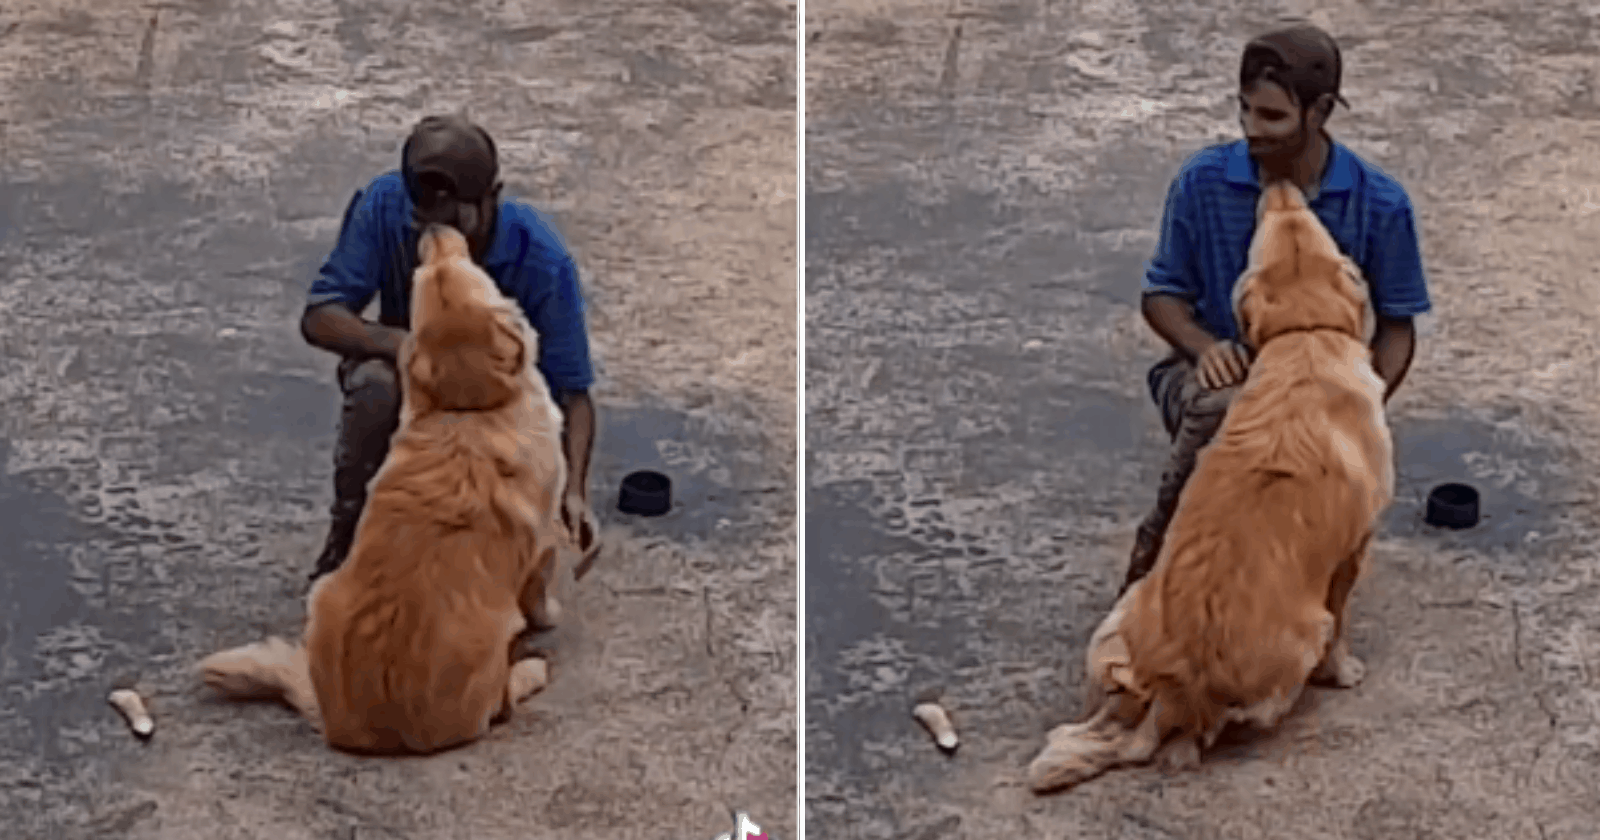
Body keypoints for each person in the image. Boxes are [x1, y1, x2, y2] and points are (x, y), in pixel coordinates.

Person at [1120, 23, 1432, 596]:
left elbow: (1396, 328)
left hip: (1321, 386)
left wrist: (1360, 406)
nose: (1250, 131)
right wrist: (1205, 347)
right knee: (1227, 406)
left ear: (1320, 113)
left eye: (1271, 117)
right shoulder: (1202, 182)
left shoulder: (1380, 203)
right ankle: (1154, 562)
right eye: (1244, 111)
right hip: (1218, 377)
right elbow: (1160, 295)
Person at [300, 113, 600, 584]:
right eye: (425, 224)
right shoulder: (385, 205)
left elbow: (574, 392)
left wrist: (573, 493)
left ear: (492, 198)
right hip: (414, 380)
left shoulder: (541, 258)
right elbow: (320, 316)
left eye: (454, 224)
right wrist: (409, 346)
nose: (437, 238)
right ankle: (348, 536)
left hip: (498, 403)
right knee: (374, 386)